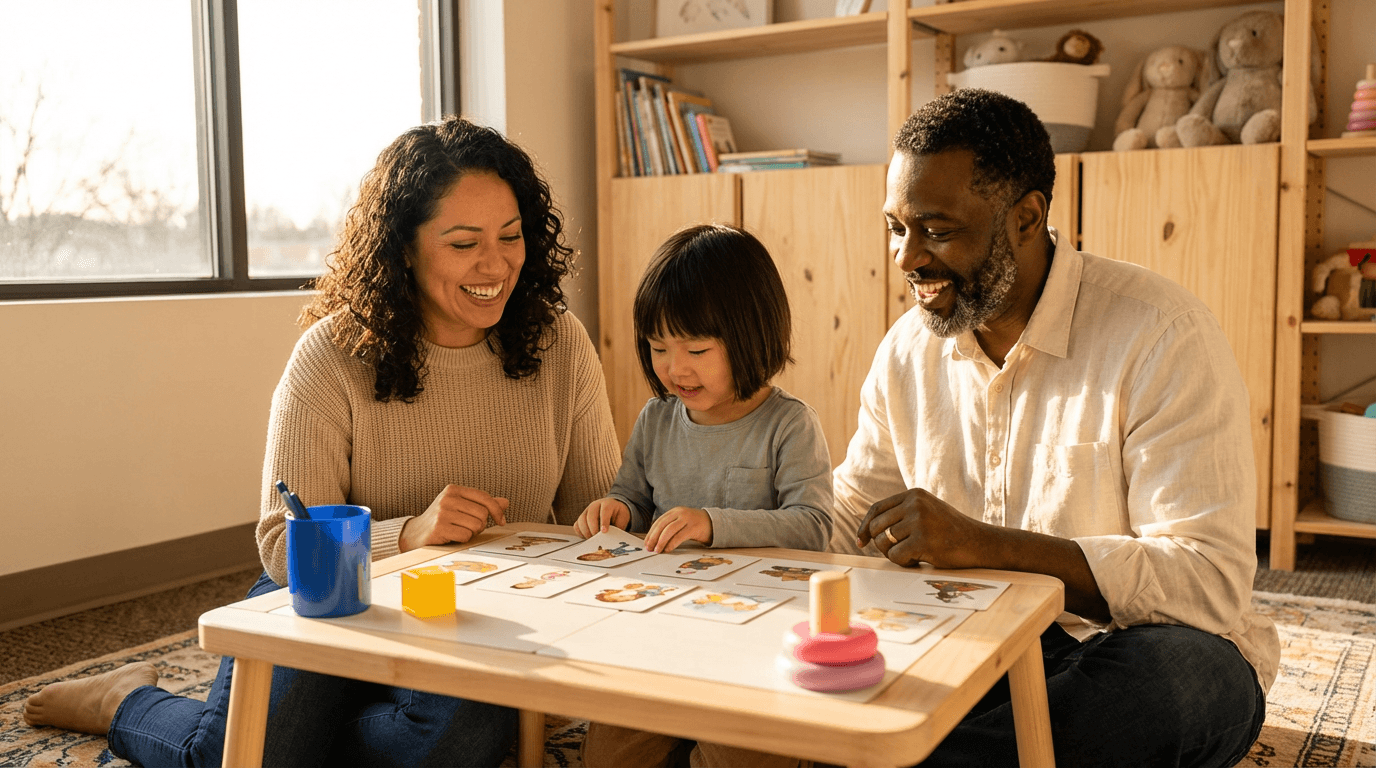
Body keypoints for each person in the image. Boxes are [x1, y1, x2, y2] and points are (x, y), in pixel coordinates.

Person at [23, 115, 621, 767]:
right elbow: (282, 542)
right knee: (234, 758)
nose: (496, 263)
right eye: (463, 243)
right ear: (404, 250)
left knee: (461, 739)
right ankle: (124, 701)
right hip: (330, 603)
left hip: (476, 621)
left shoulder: (561, 344)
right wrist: (410, 535)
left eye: (511, 236)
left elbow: (600, 512)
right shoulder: (332, 355)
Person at [828, 88, 1279, 767]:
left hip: (1115, 646)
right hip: (962, 641)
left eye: (937, 230)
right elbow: (848, 517)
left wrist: (985, 545)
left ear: (1026, 217)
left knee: (1188, 679)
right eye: (897, 227)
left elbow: (1206, 582)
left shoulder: (1162, 334)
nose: (907, 259)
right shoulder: (906, 350)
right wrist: (719, 521)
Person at [575, 224, 832, 768]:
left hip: (758, 641)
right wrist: (616, 508)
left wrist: (714, 524)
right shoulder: (656, 419)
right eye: (659, 348)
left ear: (750, 335)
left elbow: (812, 526)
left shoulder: (789, 424)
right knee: (608, 753)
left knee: (743, 754)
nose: (675, 368)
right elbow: (633, 497)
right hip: (659, 632)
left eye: (696, 348)